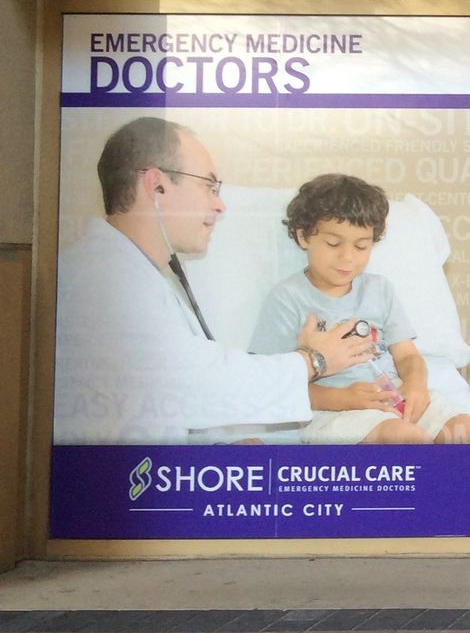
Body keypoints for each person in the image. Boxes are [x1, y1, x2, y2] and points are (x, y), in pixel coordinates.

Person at [53, 117, 374, 444]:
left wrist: (225, 444)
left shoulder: (137, 275)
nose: (219, 205)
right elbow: (193, 383)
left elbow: (167, 396)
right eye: (208, 186)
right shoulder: (100, 279)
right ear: (156, 185)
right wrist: (316, 360)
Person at [250, 174, 470, 445]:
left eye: (361, 246)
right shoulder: (288, 299)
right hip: (333, 412)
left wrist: (415, 385)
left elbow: (408, 356)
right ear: (303, 236)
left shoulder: (379, 290)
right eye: (333, 244)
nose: (347, 257)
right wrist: (344, 398)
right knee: (403, 438)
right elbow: (272, 382)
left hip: (394, 396)